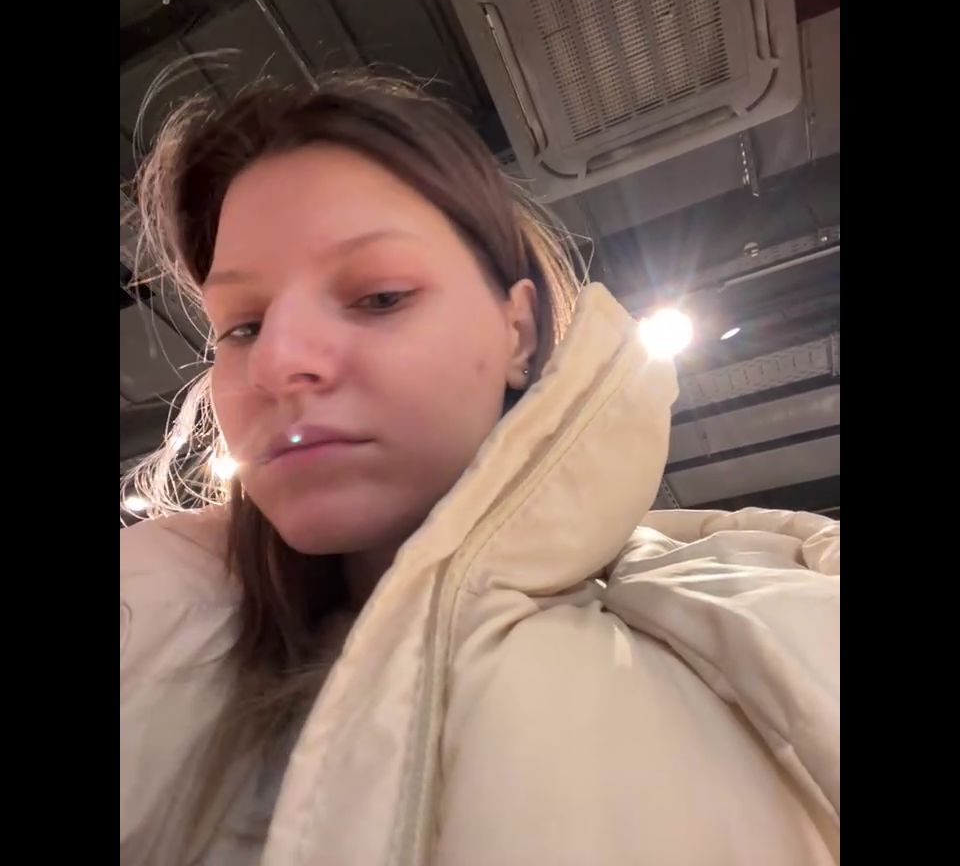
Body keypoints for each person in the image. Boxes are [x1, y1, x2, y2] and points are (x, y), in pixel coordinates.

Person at [120, 72, 840, 866]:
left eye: (380, 296)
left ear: (519, 332)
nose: (276, 362)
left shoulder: (790, 610)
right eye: (243, 326)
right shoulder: (148, 631)